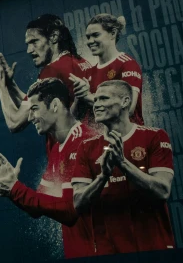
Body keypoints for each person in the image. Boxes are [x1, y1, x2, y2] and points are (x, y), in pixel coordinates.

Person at [0, 78, 95, 258]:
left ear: (55, 105)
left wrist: (15, 190)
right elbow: (38, 206)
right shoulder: (58, 148)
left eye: (34, 109)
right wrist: (13, 187)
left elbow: (69, 211)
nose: (30, 117)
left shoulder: (84, 142)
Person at [71, 81, 175, 254]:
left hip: (154, 246)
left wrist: (123, 163)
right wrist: (103, 176)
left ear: (125, 101)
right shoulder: (86, 147)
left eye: (103, 98)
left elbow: (163, 191)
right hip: (109, 250)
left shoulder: (155, 136)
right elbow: (78, 202)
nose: (96, 105)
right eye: (95, 100)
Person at [0, 14, 92, 135]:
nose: (29, 50)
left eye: (34, 41)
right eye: (28, 44)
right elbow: (35, 106)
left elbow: (14, 122)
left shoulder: (52, 70)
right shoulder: (80, 62)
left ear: (54, 37)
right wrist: (10, 84)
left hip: (71, 147)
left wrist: (0, 85)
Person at [70, 14, 144, 125]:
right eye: (88, 37)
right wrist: (78, 97)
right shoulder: (88, 72)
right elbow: (74, 118)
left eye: (95, 35)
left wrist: (88, 96)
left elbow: (129, 108)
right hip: (100, 140)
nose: (90, 41)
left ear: (113, 34)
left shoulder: (127, 64)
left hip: (127, 138)